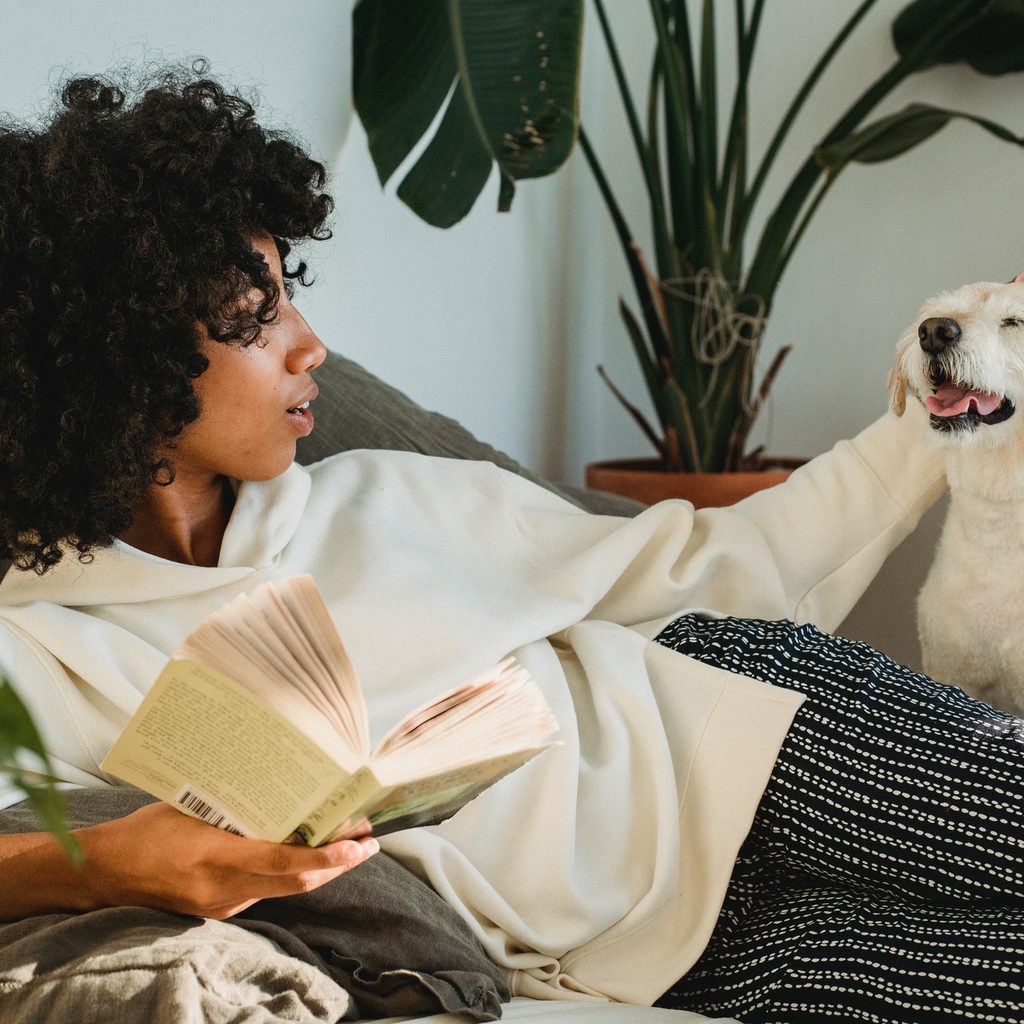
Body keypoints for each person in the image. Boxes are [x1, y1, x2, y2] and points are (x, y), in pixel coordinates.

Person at [0, 64, 1019, 1024]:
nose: (310, 343)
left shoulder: (389, 497)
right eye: (252, 317)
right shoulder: (38, 643)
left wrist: (946, 412)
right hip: (650, 948)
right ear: (115, 356)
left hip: (733, 737)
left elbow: (719, 564)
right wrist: (116, 857)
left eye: (288, 293)